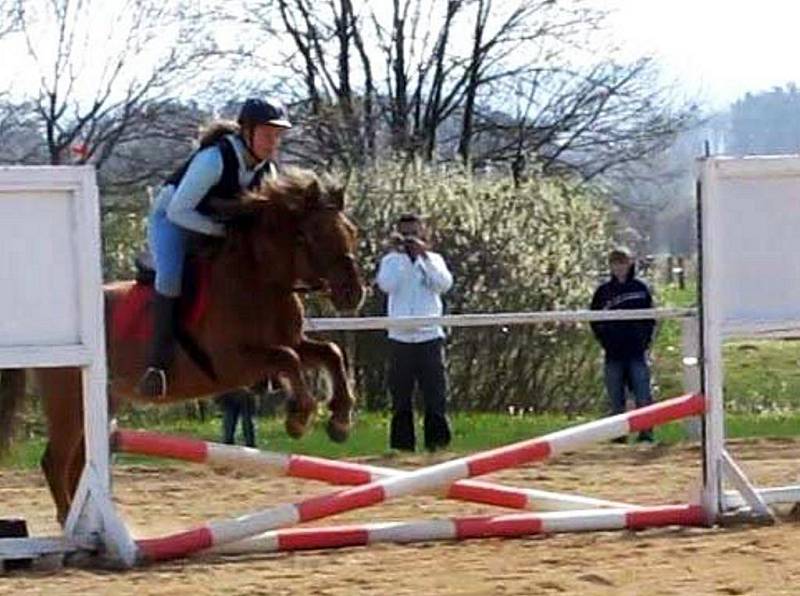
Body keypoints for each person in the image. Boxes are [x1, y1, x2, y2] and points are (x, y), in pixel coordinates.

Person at [137, 98, 292, 398]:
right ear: (247, 131)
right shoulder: (214, 160)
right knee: (170, 278)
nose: (273, 142)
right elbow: (179, 212)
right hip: (172, 220)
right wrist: (221, 232)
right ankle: (157, 366)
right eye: (267, 134)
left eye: (278, 135)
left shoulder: (267, 171)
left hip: (212, 225)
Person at [376, 214, 454, 452]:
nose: (410, 238)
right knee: (401, 397)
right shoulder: (390, 261)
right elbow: (386, 285)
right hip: (400, 337)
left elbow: (443, 284)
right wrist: (401, 258)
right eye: (405, 233)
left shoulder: (434, 259)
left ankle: (437, 444)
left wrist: (423, 258)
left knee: (435, 395)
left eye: (414, 233)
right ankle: (402, 446)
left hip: (429, 335)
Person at [590, 247, 656, 443]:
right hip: (613, 352)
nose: (619, 267)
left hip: (636, 351)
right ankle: (618, 434)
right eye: (615, 263)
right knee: (615, 396)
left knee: (643, 394)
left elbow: (650, 318)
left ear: (630, 264)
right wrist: (605, 340)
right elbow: (594, 320)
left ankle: (646, 433)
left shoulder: (640, 290)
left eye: (623, 263)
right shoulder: (603, 292)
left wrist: (644, 340)